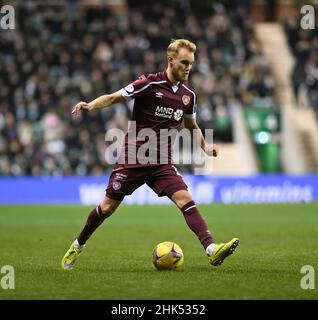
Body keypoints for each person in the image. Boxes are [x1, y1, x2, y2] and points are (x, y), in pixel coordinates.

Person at [61, 39, 239, 270]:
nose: (188, 68)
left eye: (191, 64)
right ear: (171, 60)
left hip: (162, 163)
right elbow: (115, 97)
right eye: (184, 62)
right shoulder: (149, 83)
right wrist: (90, 105)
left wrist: (204, 147)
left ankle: (212, 249)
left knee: (185, 198)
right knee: (106, 208)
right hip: (135, 159)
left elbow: (191, 125)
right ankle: (78, 244)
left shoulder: (189, 95)